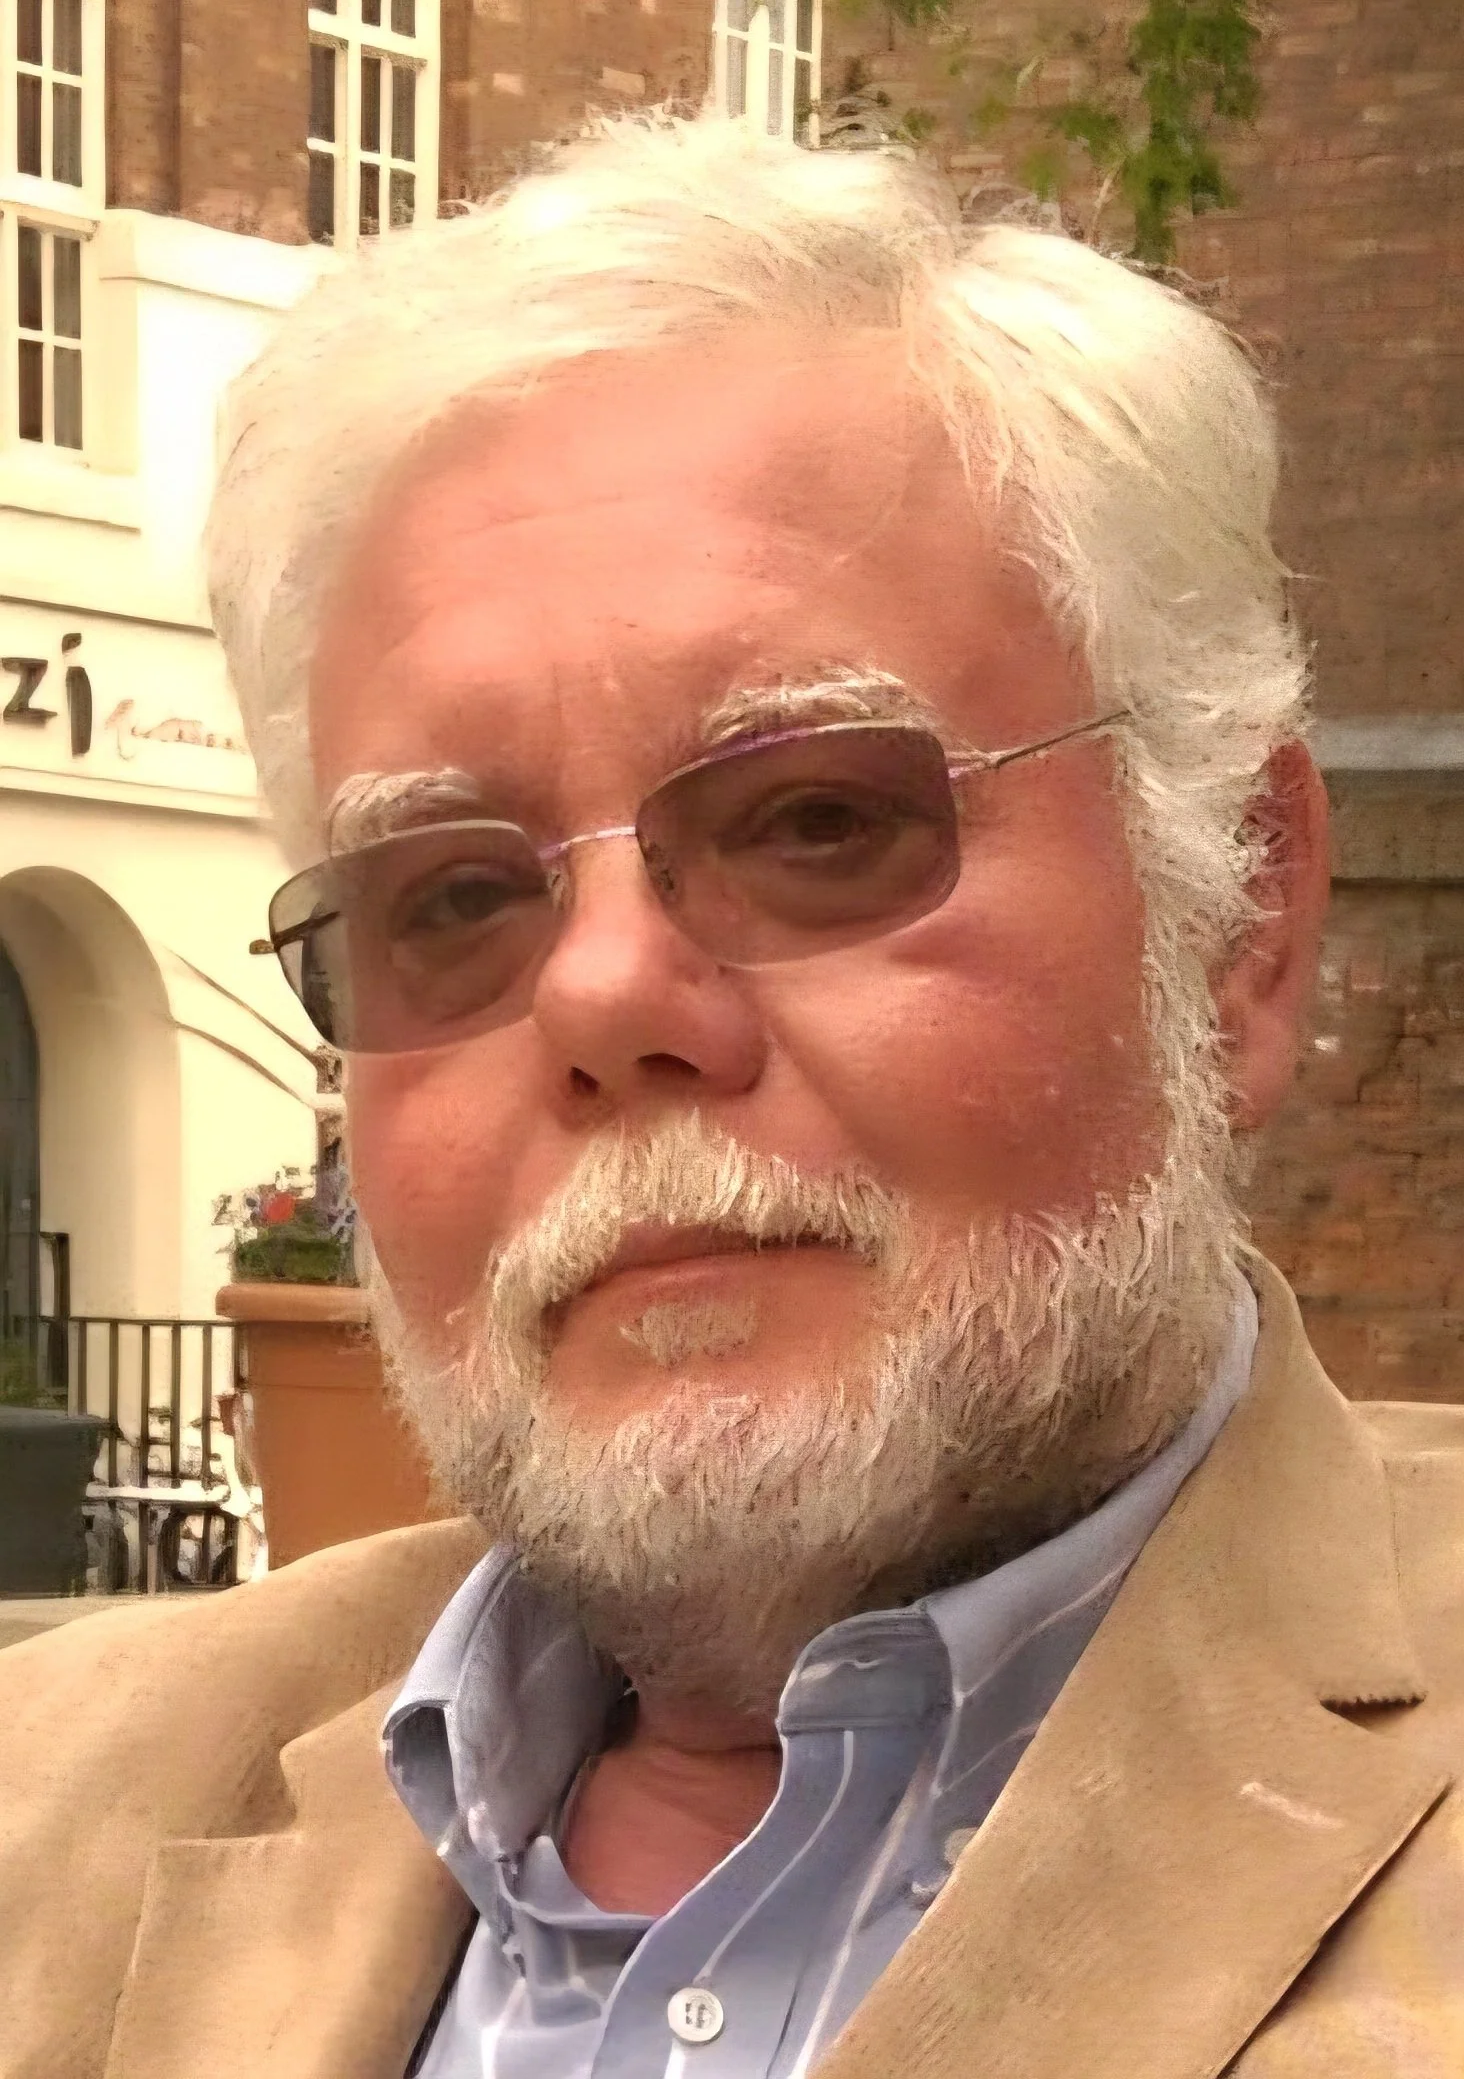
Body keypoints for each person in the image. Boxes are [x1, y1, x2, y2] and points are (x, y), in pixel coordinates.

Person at [3, 112, 1462, 2079]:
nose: (605, 989)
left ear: (1246, 916)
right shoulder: (50, 1806)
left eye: (815, 819)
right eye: (451, 893)